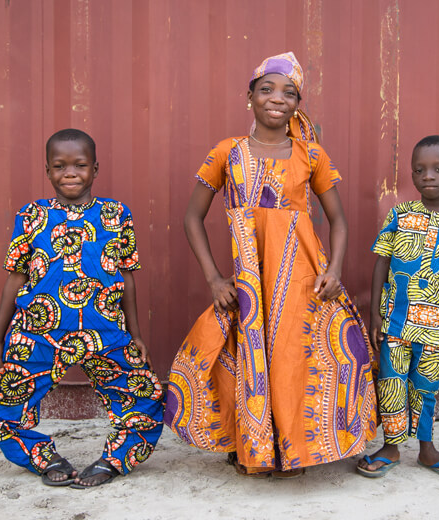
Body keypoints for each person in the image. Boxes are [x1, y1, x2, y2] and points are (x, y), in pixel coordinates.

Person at [164, 52, 376, 478]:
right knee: (247, 354)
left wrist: (333, 270)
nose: (277, 99)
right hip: (248, 278)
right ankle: (252, 446)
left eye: (289, 93)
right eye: (267, 89)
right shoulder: (227, 152)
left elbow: (338, 220)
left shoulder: (311, 154)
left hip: (302, 278)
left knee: (292, 360)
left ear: (298, 103)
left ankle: (292, 450)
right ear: (250, 97)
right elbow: (192, 217)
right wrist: (213, 278)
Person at [0, 129, 164, 488]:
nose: (70, 173)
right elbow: (16, 278)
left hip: (106, 331)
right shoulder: (31, 215)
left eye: (79, 165)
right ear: (47, 170)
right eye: (59, 166)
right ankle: (42, 458)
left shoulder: (116, 214)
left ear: (95, 169)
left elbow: (126, 277)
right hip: (37, 331)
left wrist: (136, 334)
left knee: (146, 399)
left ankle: (114, 462)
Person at [356, 135, 439, 478]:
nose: (428, 176)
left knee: (426, 386)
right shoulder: (399, 215)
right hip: (396, 321)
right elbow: (382, 262)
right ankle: (391, 445)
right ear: (412, 176)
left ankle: (427, 449)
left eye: (438, 169)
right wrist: (374, 313)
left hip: (438, 325)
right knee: (391, 381)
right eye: (420, 170)